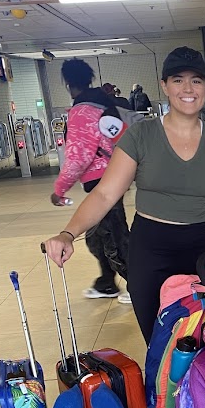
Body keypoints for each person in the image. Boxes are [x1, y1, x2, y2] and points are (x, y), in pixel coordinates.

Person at [44, 46, 205, 408]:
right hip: (151, 250)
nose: (187, 89)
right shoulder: (140, 137)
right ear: (165, 87)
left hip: (201, 251)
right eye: (178, 81)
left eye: (196, 80)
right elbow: (103, 195)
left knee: (196, 345)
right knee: (160, 350)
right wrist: (68, 234)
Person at [52, 58, 131, 304]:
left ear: (67, 83)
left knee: (114, 237)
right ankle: (107, 282)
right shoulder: (102, 103)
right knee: (96, 236)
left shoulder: (82, 112)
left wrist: (59, 189)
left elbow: (78, 157)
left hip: (103, 182)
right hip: (115, 176)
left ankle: (139, 285)